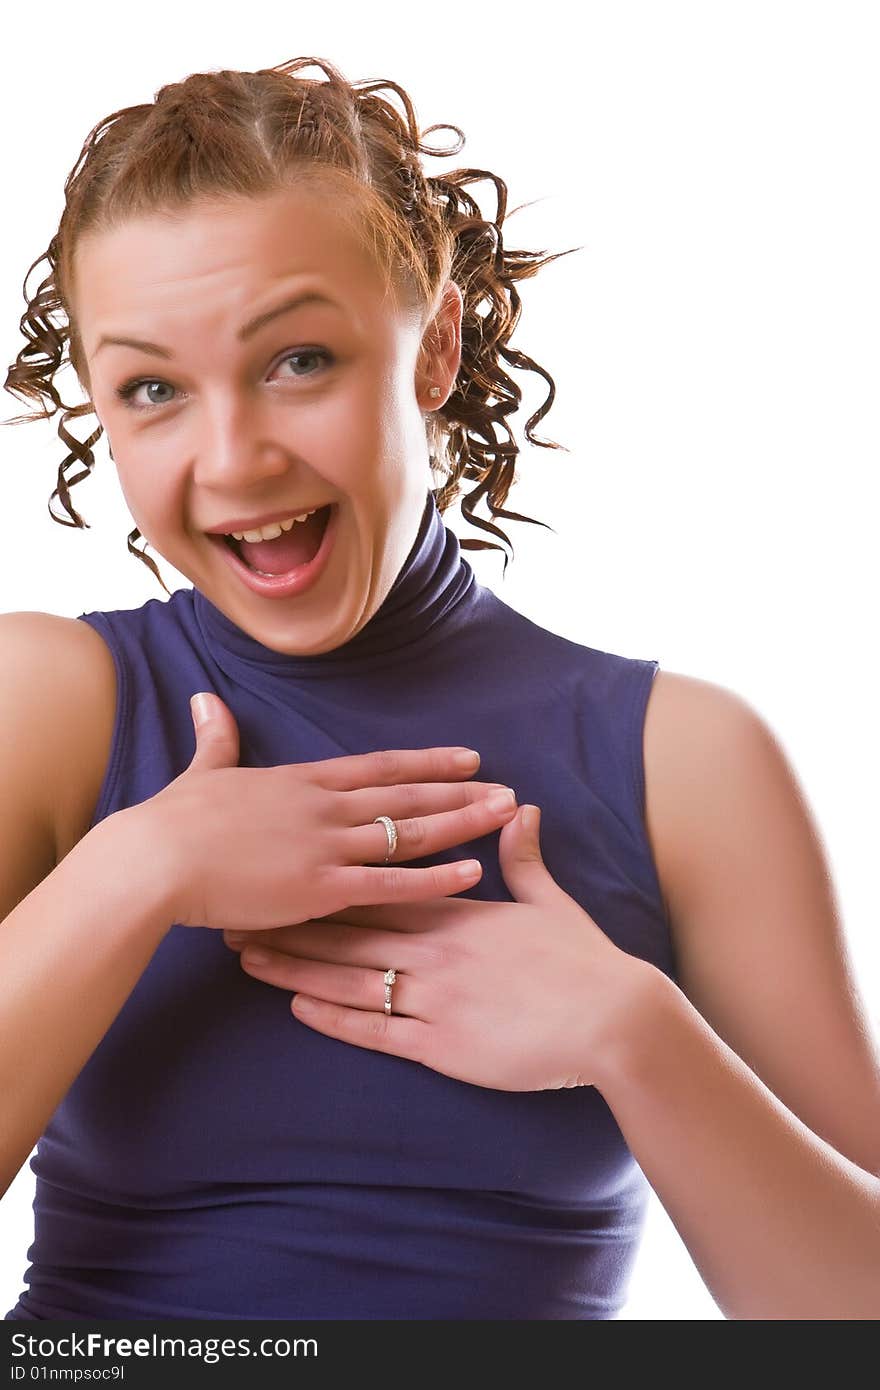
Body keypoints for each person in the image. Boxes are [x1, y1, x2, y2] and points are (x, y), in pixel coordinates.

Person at [1, 54, 878, 1323]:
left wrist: (634, 1033)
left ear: (436, 347)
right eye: (151, 390)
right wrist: (136, 872)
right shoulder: (54, 702)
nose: (234, 459)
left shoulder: (679, 759)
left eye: (297, 360)